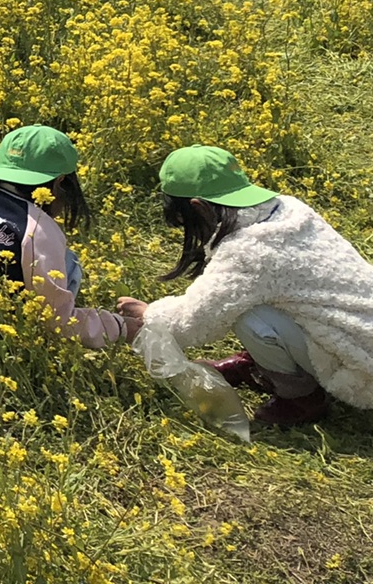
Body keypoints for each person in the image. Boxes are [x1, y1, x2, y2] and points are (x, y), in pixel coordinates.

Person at [119, 147, 373, 427]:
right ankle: (263, 365)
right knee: (264, 297)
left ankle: (299, 396)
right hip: (361, 333)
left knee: (247, 314)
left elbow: (195, 320)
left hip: (362, 366)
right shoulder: (288, 208)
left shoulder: (248, 251)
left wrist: (149, 315)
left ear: (198, 207)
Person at [0, 126, 130, 347]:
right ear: (60, 182)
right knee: (70, 263)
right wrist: (119, 326)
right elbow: (57, 321)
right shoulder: (39, 229)